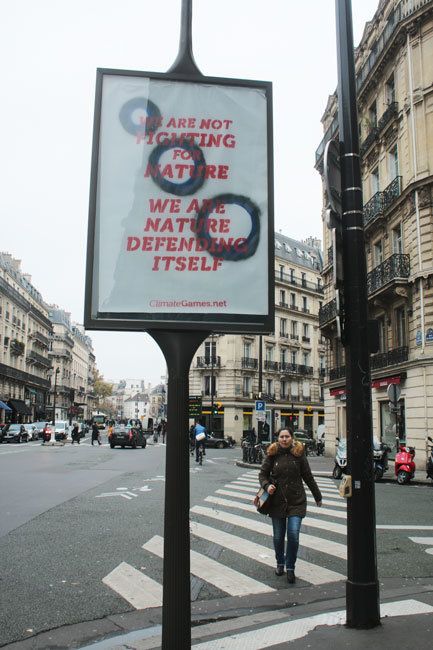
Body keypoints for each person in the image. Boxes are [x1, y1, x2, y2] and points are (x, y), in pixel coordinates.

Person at [258, 428, 322, 584]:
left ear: (292, 438)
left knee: (293, 535)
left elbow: (308, 476)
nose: (284, 439)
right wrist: (267, 486)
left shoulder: (299, 454)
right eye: (281, 436)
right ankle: (280, 563)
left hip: (296, 501)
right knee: (279, 537)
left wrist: (317, 496)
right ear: (278, 438)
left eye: (287, 436)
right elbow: (262, 474)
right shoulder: (272, 454)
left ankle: (290, 567)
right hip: (277, 502)